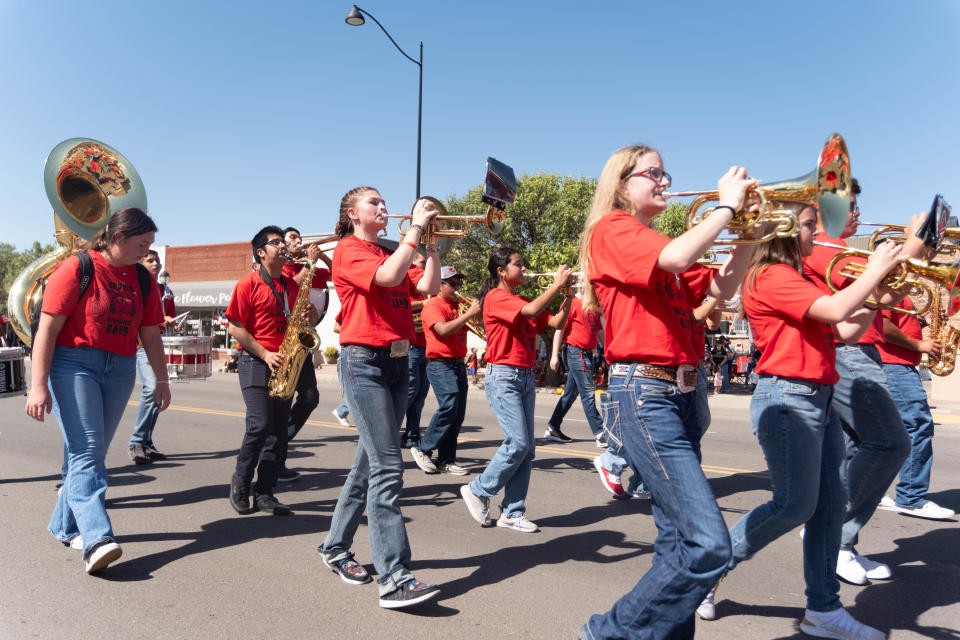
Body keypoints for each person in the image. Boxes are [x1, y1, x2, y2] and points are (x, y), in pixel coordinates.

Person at [695, 204, 903, 640]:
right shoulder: (770, 275)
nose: (815, 233)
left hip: (818, 398)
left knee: (828, 510)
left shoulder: (802, 278)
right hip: (789, 399)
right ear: (786, 231)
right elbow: (832, 312)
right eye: (808, 225)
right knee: (794, 505)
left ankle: (823, 610)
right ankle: (705, 571)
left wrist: (882, 295)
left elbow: (844, 331)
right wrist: (877, 269)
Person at [576, 145, 758, 639]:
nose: (663, 180)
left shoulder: (654, 240)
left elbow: (719, 292)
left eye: (664, 172)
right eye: (652, 173)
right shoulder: (613, 230)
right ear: (621, 184)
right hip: (644, 390)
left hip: (679, 393)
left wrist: (749, 237)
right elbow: (679, 255)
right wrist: (726, 206)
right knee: (709, 546)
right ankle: (606, 633)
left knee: (678, 541)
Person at [318, 186, 442, 609]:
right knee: (389, 468)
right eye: (375, 203)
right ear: (353, 213)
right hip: (364, 362)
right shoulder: (348, 250)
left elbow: (427, 287)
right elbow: (387, 279)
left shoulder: (388, 251)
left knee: (368, 466)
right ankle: (394, 576)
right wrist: (416, 230)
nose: (384, 207)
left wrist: (433, 246)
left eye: (384, 202)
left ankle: (334, 547)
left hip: (397, 362)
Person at [26, 207, 168, 574]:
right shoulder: (77, 267)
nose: (147, 251)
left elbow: (151, 334)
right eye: (142, 243)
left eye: (150, 245)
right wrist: (37, 385)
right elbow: (47, 330)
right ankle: (97, 539)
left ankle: (62, 526)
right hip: (73, 364)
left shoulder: (141, 278)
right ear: (117, 237)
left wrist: (163, 381)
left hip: (120, 368)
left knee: (89, 452)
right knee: (88, 451)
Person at [802, 180, 923, 584]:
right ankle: (832, 537)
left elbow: (882, 296)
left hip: (861, 350)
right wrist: (910, 250)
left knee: (858, 452)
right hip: (845, 352)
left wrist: (908, 262)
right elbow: (866, 292)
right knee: (891, 443)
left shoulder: (843, 252)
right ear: (820, 212)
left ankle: (839, 543)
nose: (857, 212)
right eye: (849, 206)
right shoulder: (822, 248)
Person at [460, 248, 572, 533]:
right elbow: (533, 311)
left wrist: (569, 296)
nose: (524, 269)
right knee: (519, 443)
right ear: (501, 271)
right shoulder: (497, 298)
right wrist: (558, 284)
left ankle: (512, 512)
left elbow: (556, 322)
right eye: (518, 265)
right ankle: (478, 490)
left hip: (523, 376)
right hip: (504, 376)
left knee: (528, 449)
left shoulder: (521, 299)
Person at [226, 225, 317, 516]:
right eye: (275, 242)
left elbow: (300, 325)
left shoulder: (292, 286)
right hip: (256, 361)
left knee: (278, 431)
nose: (282, 246)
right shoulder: (248, 284)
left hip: (286, 362)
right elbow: (234, 327)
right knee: (260, 425)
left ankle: (265, 492)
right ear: (261, 253)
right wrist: (265, 353)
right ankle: (240, 482)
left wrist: (310, 317)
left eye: (282, 241)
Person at [876, 298, 955, 520]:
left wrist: (921, 321)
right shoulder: (890, 287)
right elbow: (880, 323)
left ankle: (869, 492)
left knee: (879, 433)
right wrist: (920, 345)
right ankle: (911, 498)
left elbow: (891, 321)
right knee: (918, 426)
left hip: (894, 364)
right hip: (894, 365)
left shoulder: (897, 291)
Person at [275, 226, 333, 482]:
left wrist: (323, 257)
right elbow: (290, 287)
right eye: (293, 239)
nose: (299, 242)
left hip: (301, 340)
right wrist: (310, 262)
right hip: (280, 343)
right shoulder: (283, 268)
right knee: (280, 402)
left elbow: (340, 275)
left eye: (299, 238)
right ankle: (274, 459)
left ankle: (278, 439)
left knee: (309, 398)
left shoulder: (307, 264)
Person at [411, 266, 480, 475]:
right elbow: (442, 330)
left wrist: (475, 315)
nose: (457, 287)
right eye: (452, 283)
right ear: (439, 285)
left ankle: (446, 460)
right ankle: (422, 448)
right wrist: (468, 315)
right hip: (440, 363)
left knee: (457, 414)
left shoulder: (458, 306)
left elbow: (477, 325)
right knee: (449, 405)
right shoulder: (433, 305)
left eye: (458, 283)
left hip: (459, 363)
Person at [128, 249, 177, 464]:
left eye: (157, 260)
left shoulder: (165, 290)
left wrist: (171, 321)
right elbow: (137, 318)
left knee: (158, 391)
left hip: (158, 344)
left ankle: (146, 442)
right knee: (151, 388)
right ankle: (137, 441)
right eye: (150, 260)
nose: (155, 264)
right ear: (140, 262)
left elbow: (169, 317)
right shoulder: (138, 285)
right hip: (141, 344)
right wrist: (160, 320)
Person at [544, 291, 603, 445]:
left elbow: (598, 332)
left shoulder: (593, 304)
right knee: (588, 393)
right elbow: (559, 328)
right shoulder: (571, 301)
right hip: (576, 351)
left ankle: (553, 427)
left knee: (569, 395)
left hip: (588, 354)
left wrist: (610, 352)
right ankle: (600, 432)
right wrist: (554, 356)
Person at [400, 253, 431, 454]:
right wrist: (425, 304)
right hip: (411, 345)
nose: (424, 266)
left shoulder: (426, 281)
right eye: (421, 262)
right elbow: (404, 305)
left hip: (427, 344)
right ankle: (385, 430)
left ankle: (411, 435)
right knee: (409, 392)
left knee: (420, 394)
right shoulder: (405, 276)